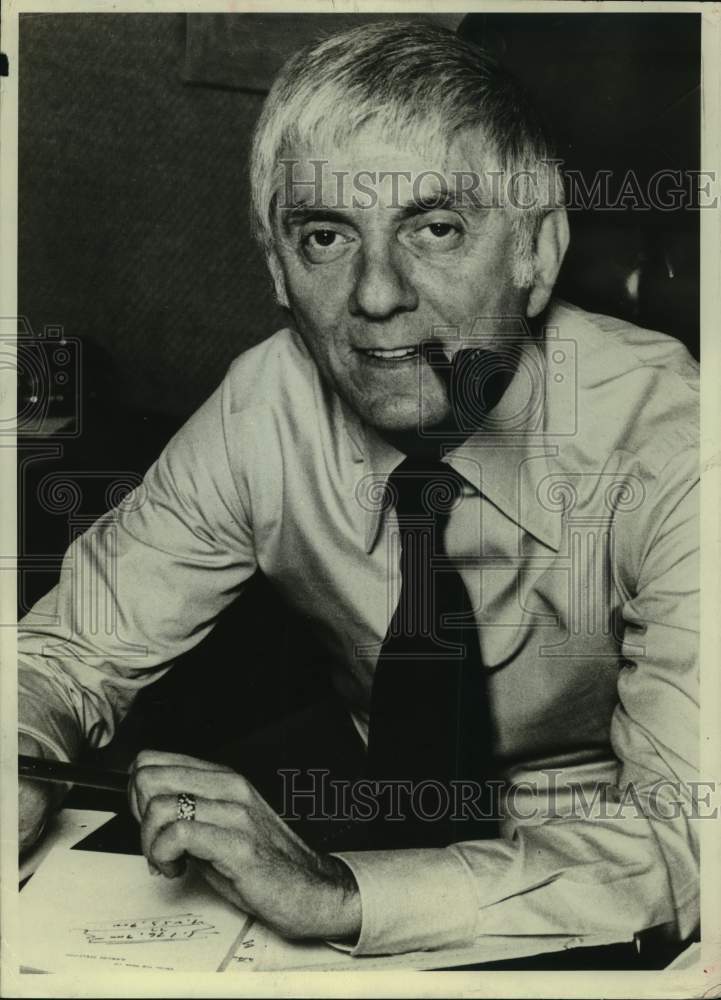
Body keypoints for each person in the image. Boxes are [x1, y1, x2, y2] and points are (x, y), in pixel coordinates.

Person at [18, 21, 699, 956]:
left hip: (604, 881)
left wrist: (345, 896)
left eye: (435, 228)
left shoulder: (674, 449)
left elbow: (686, 837)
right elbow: (63, 652)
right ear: (277, 270)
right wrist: (22, 752)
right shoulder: (265, 408)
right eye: (326, 236)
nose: (376, 295)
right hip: (360, 804)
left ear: (535, 251)